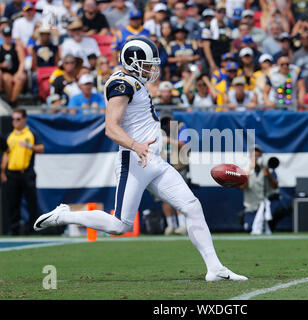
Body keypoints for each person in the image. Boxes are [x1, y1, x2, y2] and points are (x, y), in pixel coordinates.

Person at [33, 37, 247, 282]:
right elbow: (110, 128)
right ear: (132, 62)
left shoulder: (134, 82)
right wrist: (136, 146)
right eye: (147, 64)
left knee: (192, 207)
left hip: (153, 159)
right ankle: (64, 215)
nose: (151, 69)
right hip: (134, 159)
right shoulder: (122, 84)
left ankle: (215, 268)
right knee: (119, 225)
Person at [1, 109, 44, 235]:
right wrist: (3, 171)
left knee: (32, 202)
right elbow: (6, 154)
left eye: (18, 119)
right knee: (13, 203)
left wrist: (29, 146)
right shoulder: (10, 136)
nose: (15, 122)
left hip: (26, 172)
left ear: (24, 119)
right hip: (12, 173)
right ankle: (14, 229)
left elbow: (41, 148)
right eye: (13, 119)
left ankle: (33, 229)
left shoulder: (30, 133)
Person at [0, 26, 27, 107]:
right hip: (5, 72)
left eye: (9, 35)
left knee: (20, 78)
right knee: (6, 79)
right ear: (2, 36)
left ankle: (12, 101)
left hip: (16, 71)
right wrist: (2, 65)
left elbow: (22, 61)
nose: (8, 38)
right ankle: (12, 101)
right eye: (6, 36)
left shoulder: (17, 47)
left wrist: (18, 73)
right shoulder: (0, 48)